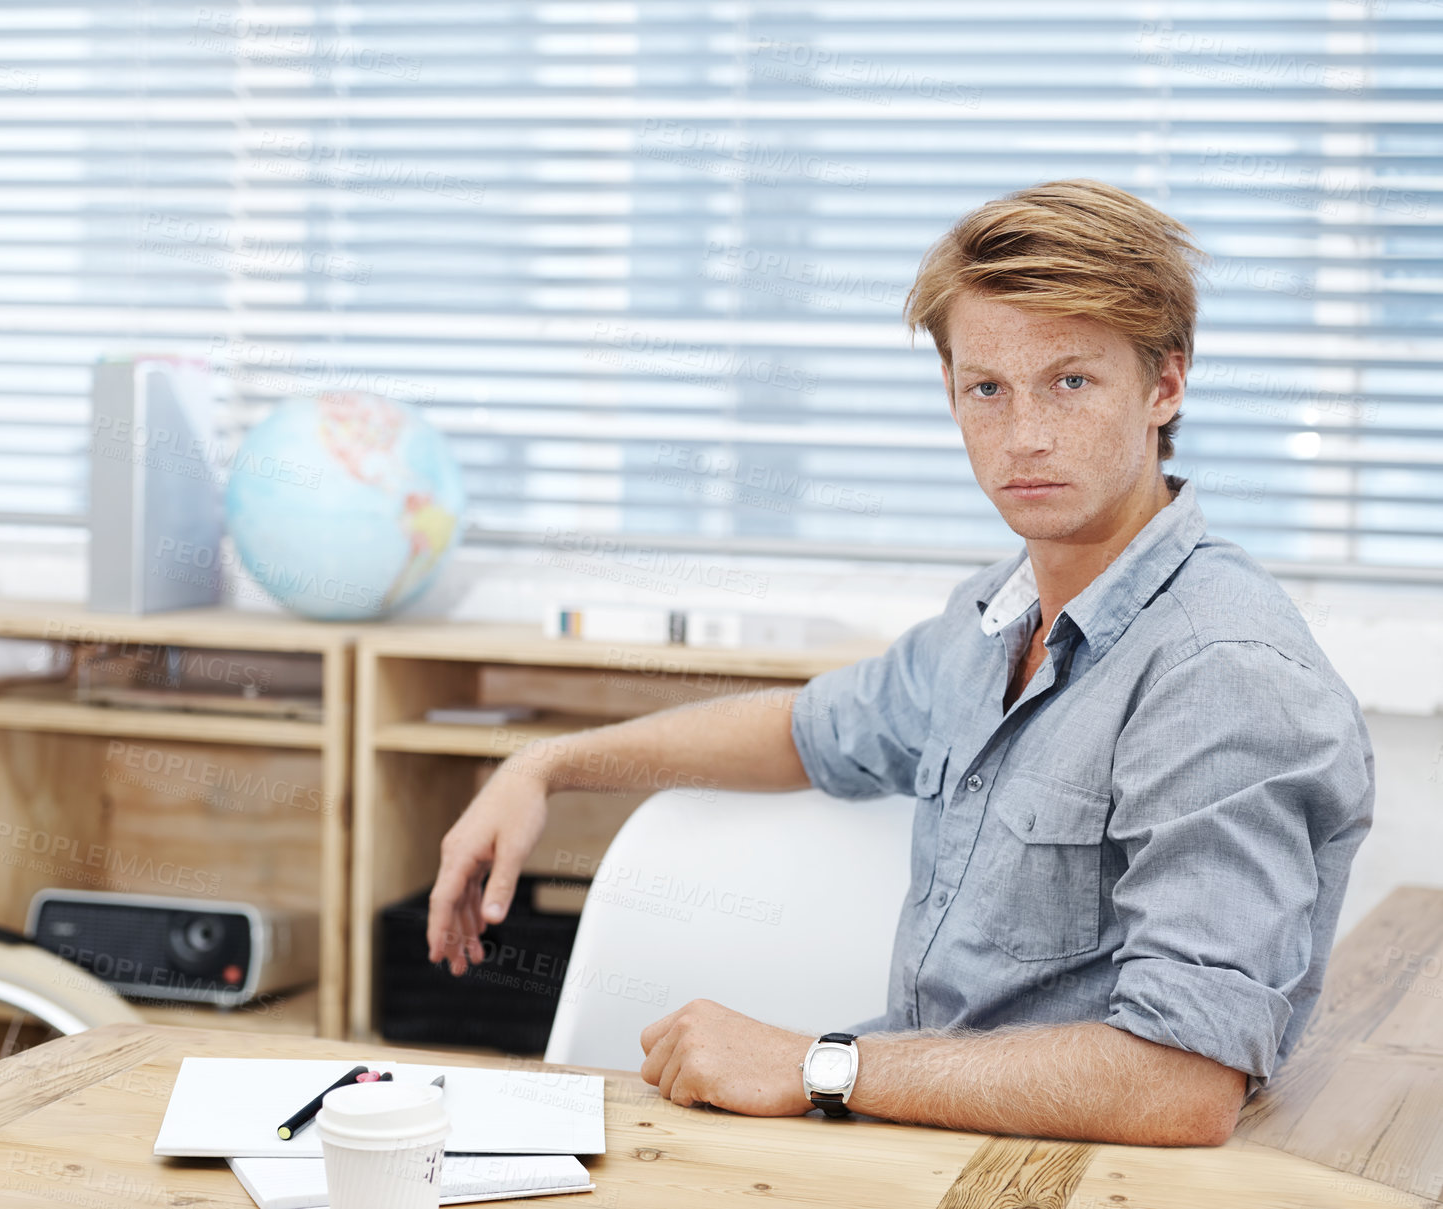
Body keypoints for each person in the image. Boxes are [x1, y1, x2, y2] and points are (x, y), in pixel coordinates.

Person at [426, 180, 1374, 1147]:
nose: (1024, 436)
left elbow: (1181, 1080)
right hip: (909, 1140)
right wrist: (544, 764)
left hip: (1054, 1171)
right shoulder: (991, 615)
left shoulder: (1221, 670)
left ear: (1164, 386)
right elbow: (804, 730)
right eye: (986, 388)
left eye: (1072, 381)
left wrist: (812, 1065)